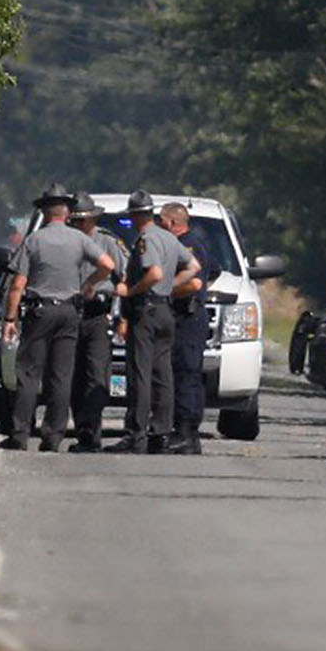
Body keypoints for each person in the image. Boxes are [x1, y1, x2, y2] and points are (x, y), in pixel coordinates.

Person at [1, 183, 116, 452]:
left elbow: (18, 283)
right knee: (61, 375)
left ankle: (19, 434)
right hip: (69, 311)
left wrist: (10, 319)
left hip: (40, 310)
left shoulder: (34, 240)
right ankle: (53, 436)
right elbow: (108, 266)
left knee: (29, 372)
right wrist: (89, 284)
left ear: (44, 211)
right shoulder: (80, 239)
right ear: (67, 213)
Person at [108, 190, 198, 454]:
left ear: (136, 216)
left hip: (146, 310)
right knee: (163, 375)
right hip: (165, 311)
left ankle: (136, 435)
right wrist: (170, 287)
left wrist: (131, 290)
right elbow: (193, 267)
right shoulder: (169, 239)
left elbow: (155, 273)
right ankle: (160, 433)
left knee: (140, 374)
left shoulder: (146, 238)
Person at [67, 193, 129, 453]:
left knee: (96, 375)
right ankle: (82, 429)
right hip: (68, 314)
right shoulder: (64, 241)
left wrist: (123, 317)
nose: (80, 226)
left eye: (85, 221)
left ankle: (91, 430)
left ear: (93, 219)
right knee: (72, 376)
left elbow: (123, 281)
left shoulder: (107, 242)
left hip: (96, 315)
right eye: (76, 221)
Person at [159, 201, 221, 455]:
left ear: (173, 223)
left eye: (161, 221)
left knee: (186, 374)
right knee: (186, 374)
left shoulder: (187, 245)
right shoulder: (195, 242)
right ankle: (186, 434)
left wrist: (167, 291)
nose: (158, 225)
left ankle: (185, 433)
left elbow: (195, 283)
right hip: (189, 314)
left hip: (187, 314)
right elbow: (213, 270)